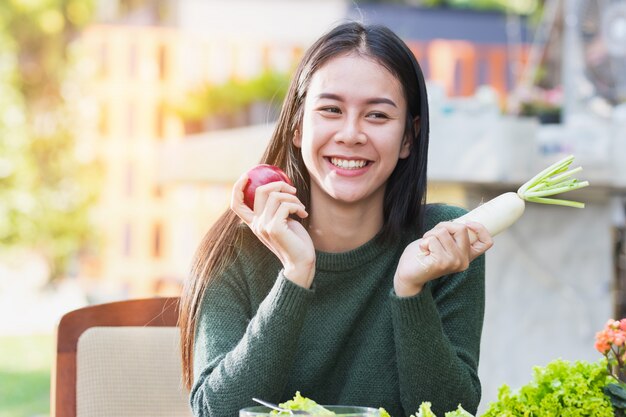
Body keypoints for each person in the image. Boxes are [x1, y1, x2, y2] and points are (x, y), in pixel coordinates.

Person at [178, 21, 493, 417]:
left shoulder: (444, 244)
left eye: (377, 116)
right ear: (296, 124)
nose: (351, 134)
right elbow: (215, 412)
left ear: (408, 138)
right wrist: (295, 274)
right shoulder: (235, 250)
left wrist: (410, 290)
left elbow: (453, 412)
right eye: (330, 110)